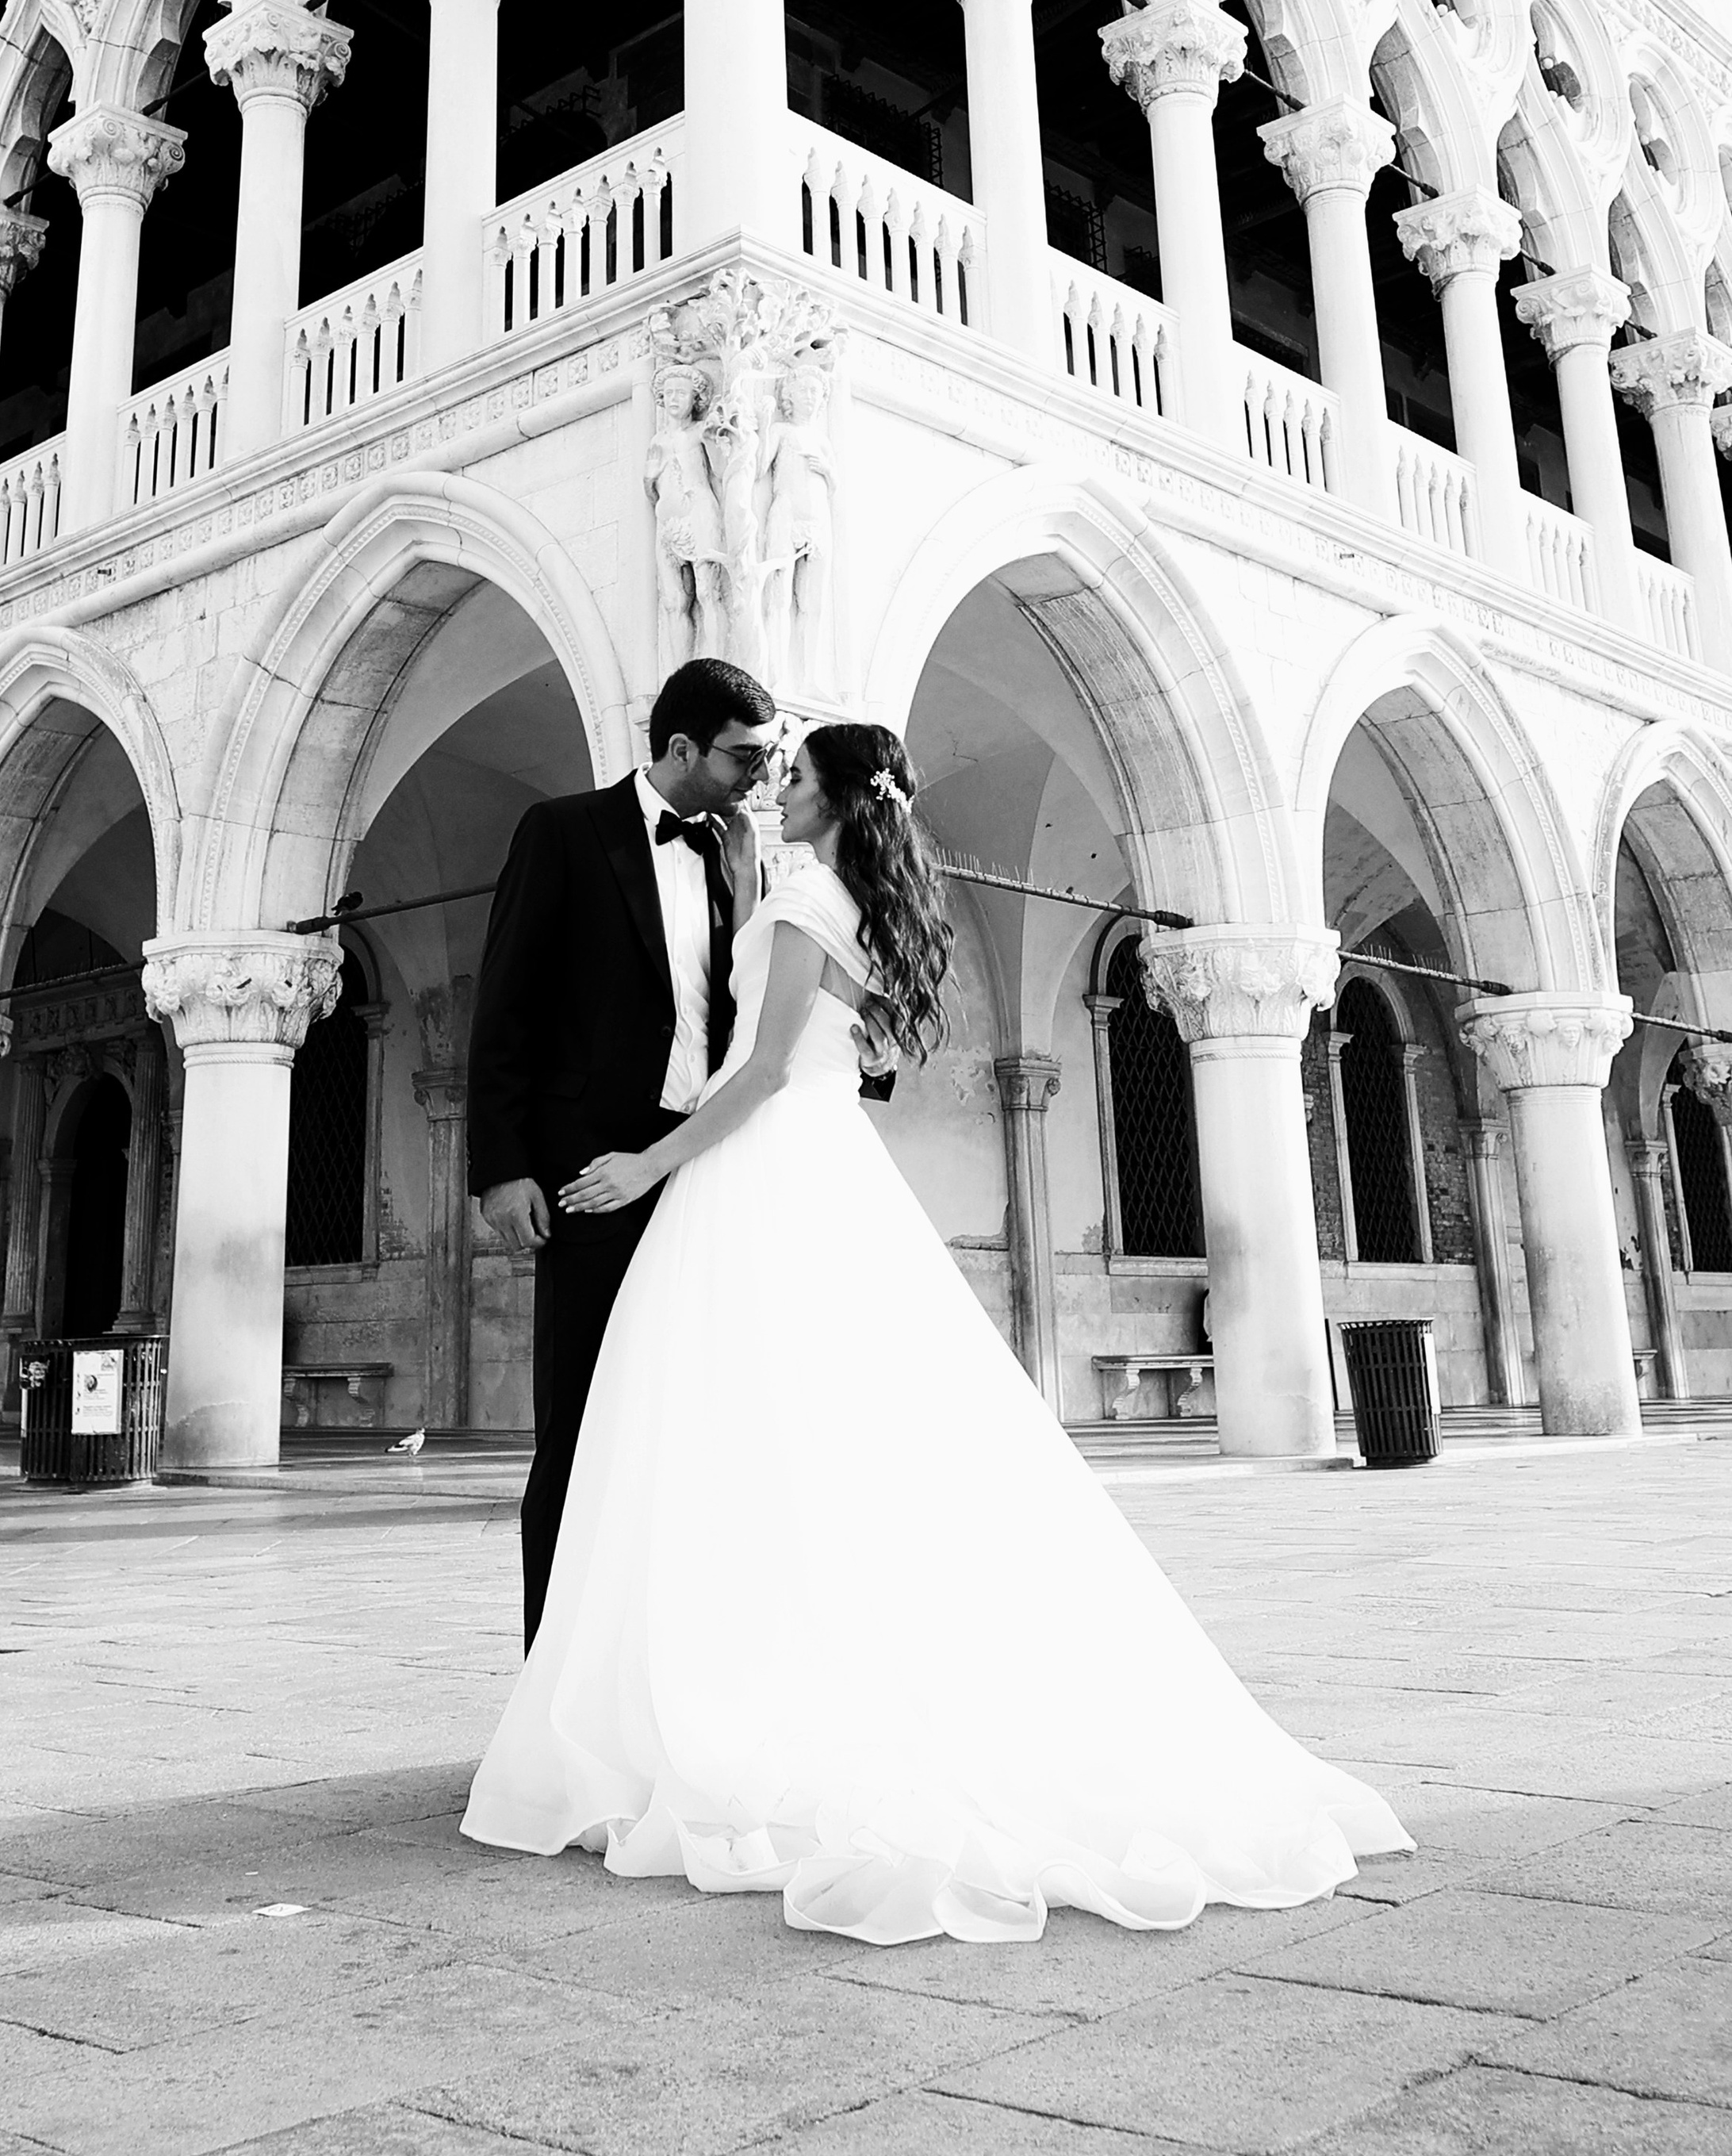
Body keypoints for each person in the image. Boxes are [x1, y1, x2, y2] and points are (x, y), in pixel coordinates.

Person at [463, 720, 1412, 1947]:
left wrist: (645, 1164)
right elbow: (840, 1053)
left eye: (795, 775)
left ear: (837, 798)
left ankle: (717, 1699)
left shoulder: (802, 896)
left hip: (758, 1164)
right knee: (788, 1434)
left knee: (718, 1431)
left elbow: (760, 1073)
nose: (776, 786)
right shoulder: (860, 899)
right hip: (822, 1162)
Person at [467, 656, 781, 1648]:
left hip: (701, 1165)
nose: (759, 779)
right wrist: (501, 1166)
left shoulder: (736, 857)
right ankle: (551, 1678)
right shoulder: (562, 832)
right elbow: (505, 1007)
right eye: (743, 758)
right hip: (589, 1175)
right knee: (580, 1425)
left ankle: (662, 1665)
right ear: (681, 748)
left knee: (689, 1423)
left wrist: (747, 883)